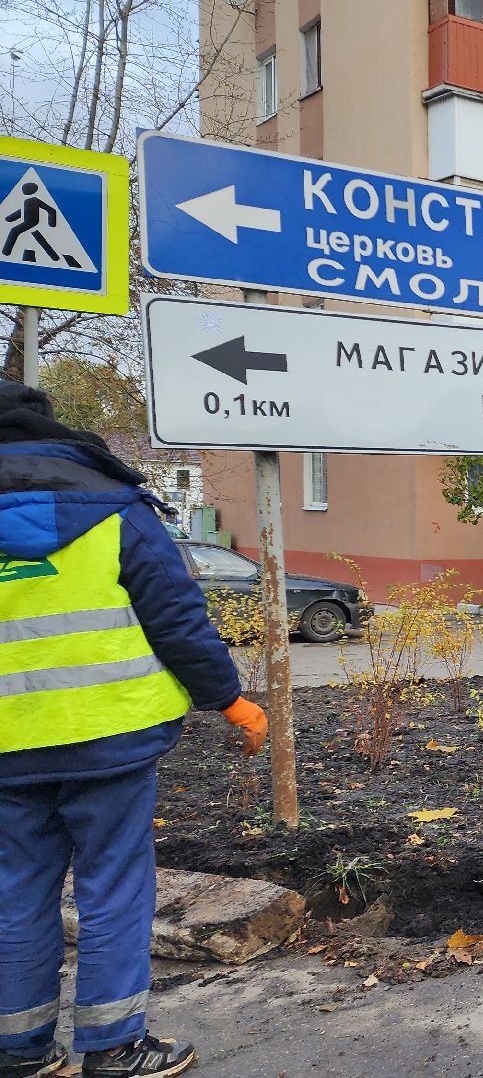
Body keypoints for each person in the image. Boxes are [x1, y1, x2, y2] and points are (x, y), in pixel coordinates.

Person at [0, 383, 265, 1078]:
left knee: (17, 890)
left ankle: (20, 1050)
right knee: (113, 888)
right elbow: (177, 620)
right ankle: (114, 1047)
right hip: (108, 738)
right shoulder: (113, 506)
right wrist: (231, 700)